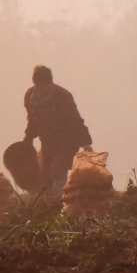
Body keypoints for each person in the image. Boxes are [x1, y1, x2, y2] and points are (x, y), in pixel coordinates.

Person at [23, 65, 92, 196]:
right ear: (35, 84)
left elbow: (75, 120)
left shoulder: (62, 96)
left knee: (58, 170)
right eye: (40, 87)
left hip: (67, 141)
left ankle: (62, 203)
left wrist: (85, 142)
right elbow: (32, 120)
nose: (42, 90)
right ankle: (48, 205)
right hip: (47, 142)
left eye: (46, 86)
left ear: (51, 83)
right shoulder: (30, 97)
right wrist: (28, 138)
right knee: (45, 176)